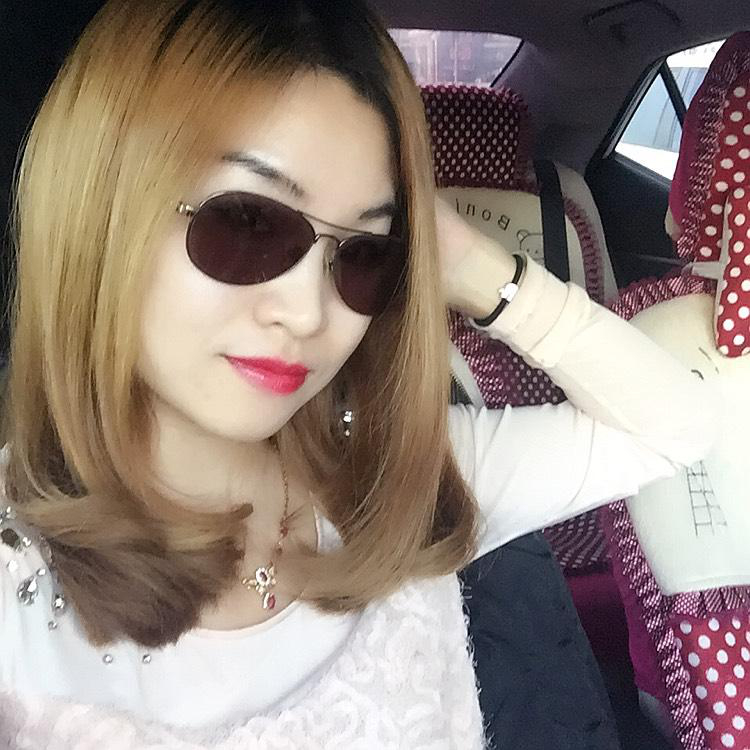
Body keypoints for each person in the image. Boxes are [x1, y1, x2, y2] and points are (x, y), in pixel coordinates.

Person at [0, 0, 720, 746]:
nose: (308, 313)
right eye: (247, 222)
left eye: (365, 254)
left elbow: (674, 427)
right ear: (102, 209)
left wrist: (467, 263)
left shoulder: (401, 479)